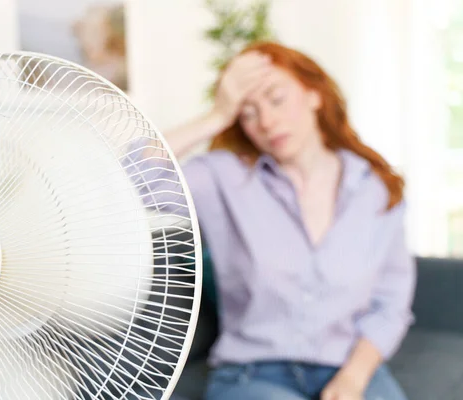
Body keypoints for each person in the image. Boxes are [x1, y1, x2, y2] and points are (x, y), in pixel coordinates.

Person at [125, 41, 416, 400]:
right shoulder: (225, 178)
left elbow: (391, 304)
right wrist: (216, 114)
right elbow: (129, 179)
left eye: (277, 99)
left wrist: (354, 378)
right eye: (247, 113)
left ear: (314, 94)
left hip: (349, 367)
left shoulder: (376, 189)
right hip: (253, 373)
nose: (266, 121)